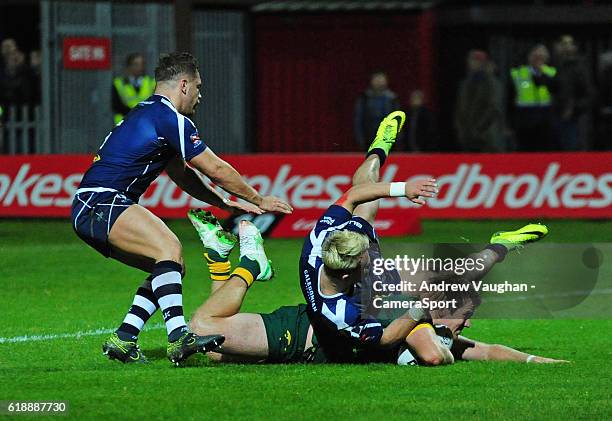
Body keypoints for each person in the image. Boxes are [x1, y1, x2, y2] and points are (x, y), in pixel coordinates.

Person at [70, 52, 293, 365]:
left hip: (90, 208)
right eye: (198, 87)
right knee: (169, 247)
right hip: (102, 202)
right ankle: (179, 336)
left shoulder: (147, 113)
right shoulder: (169, 118)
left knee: (169, 265)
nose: (200, 96)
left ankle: (123, 338)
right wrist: (258, 199)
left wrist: (221, 202)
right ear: (184, 85)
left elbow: (181, 173)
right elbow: (214, 167)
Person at [509, 44, 557, 151]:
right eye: (535, 56)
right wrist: (510, 124)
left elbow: (558, 92)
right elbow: (509, 99)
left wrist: (542, 74)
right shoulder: (518, 73)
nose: (538, 59)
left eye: (541, 57)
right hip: (525, 119)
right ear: (529, 57)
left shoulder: (552, 73)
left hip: (546, 119)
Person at [454, 50, 504, 152]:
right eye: (471, 60)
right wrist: (461, 129)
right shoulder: (465, 84)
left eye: (476, 60)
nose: (472, 63)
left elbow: (493, 108)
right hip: (468, 137)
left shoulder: (492, 83)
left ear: (483, 63)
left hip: (486, 137)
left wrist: (478, 128)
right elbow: (459, 108)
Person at [551, 35, 593, 151]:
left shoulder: (580, 66)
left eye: (568, 44)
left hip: (575, 118)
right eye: (562, 44)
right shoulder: (553, 66)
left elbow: (588, 93)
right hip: (554, 116)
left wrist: (572, 108)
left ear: (574, 47)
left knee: (573, 149)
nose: (565, 47)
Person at [353, 71, 401, 150]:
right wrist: (360, 139)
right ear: (371, 81)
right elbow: (358, 120)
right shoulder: (365, 98)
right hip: (369, 139)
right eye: (376, 79)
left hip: (388, 139)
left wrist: (397, 138)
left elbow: (398, 119)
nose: (379, 82)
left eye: (381, 79)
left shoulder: (392, 99)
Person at [112, 53, 156, 125]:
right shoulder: (119, 83)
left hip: (146, 122)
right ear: (129, 67)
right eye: (136, 64)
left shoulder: (151, 82)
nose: (140, 67)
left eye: (142, 64)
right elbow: (116, 105)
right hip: (124, 122)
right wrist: (134, 113)